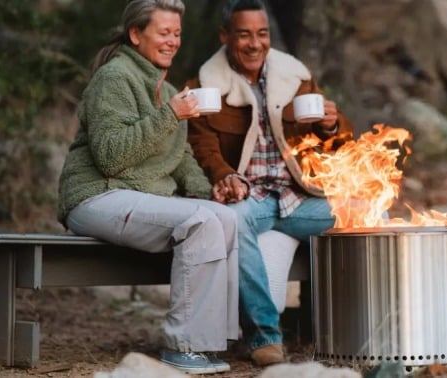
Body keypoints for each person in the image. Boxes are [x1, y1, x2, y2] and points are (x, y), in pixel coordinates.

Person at [56, 0, 238, 374]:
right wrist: (170, 114)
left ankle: (216, 339)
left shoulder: (167, 87)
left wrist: (209, 191)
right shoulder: (115, 78)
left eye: (177, 34)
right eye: (164, 33)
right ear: (136, 35)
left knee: (225, 218)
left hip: (136, 197)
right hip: (96, 195)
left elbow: (180, 157)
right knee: (203, 223)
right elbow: (109, 156)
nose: (173, 41)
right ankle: (184, 345)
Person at [186, 0, 355, 367]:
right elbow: (203, 147)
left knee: (363, 211)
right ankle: (265, 336)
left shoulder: (295, 77)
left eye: (261, 34)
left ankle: (354, 326)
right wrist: (225, 176)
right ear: (225, 36)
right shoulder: (204, 85)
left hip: (301, 197)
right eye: (244, 34)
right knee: (233, 219)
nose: (254, 43)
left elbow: (339, 140)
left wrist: (332, 124)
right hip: (252, 198)